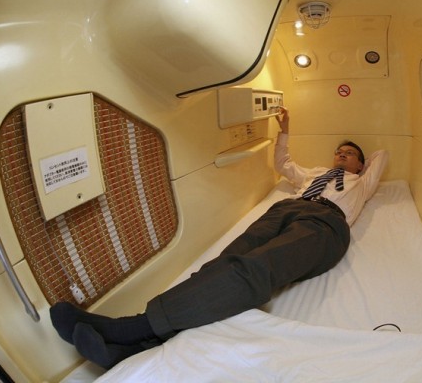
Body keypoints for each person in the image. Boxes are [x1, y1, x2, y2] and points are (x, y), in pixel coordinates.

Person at [50, 107, 388, 368]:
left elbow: (382, 157)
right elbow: (283, 163)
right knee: (223, 264)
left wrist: (361, 163)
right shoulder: (314, 174)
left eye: (349, 154)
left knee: (256, 268)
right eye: (339, 151)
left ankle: (129, 329)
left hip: (326, 222)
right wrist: (285, 130)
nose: (341, 154)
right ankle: (135, 349)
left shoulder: (362, 184)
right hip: (285, 209)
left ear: (361, 165)